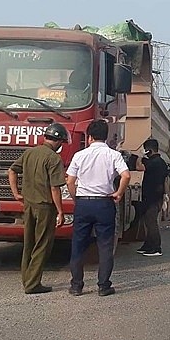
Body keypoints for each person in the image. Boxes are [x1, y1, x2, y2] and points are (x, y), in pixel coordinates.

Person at [65, 120, 130, 296]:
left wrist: (75, 197)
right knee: (105, 245)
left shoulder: (79, 155)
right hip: (104, 203)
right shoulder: (113, 155)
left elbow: (70, 181)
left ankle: (77, 285)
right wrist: (119, 193)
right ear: (106, 136)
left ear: (89, 137)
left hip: (84, 202)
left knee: (78, 244)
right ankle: (104, 286)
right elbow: (126, 175)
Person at [8, 123, 68, 294]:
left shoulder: (29, 152)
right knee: (42, 244)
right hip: (45, 207)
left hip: (28, 204)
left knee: (29, 243)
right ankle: (33, 284)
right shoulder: (53, 158)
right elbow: (55, 188)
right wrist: (61, 211)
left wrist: (16, 193)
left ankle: (26, 279)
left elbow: (12, 170)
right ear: (59, 141)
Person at [135, 138, 170, 257]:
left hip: (152, 197)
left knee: (151, 222)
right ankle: (148, 245)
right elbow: (165, 180)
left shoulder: (154, 162)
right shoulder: (161, 162)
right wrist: (165, 195)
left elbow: (139, 167)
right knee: (147, 221)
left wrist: (140, 157)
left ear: (148, 150)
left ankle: (156, 247)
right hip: (156, 196)